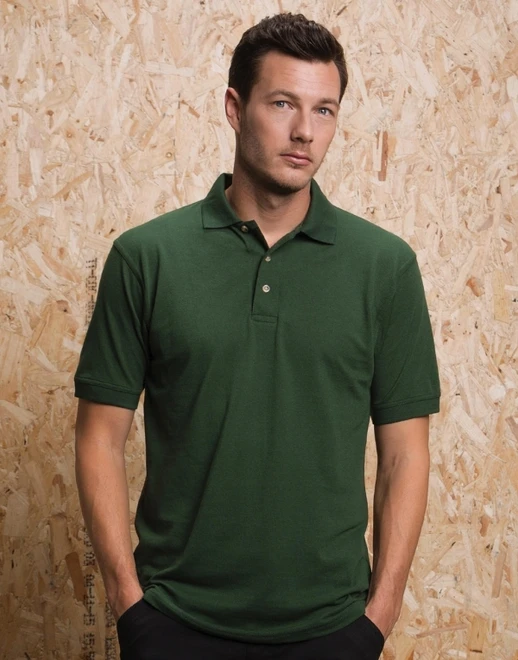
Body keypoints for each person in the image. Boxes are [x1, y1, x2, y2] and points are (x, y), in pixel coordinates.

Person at [74, 12, 440, 660]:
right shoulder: (147, 258)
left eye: (324, 110)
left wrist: (376, 620)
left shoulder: (384, 268)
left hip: (332, 630)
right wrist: (131, 609)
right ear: (234, 108)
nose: (305, 131)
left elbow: (405, 455)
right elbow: (99, 437)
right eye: (283, 104)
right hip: (174, 624)